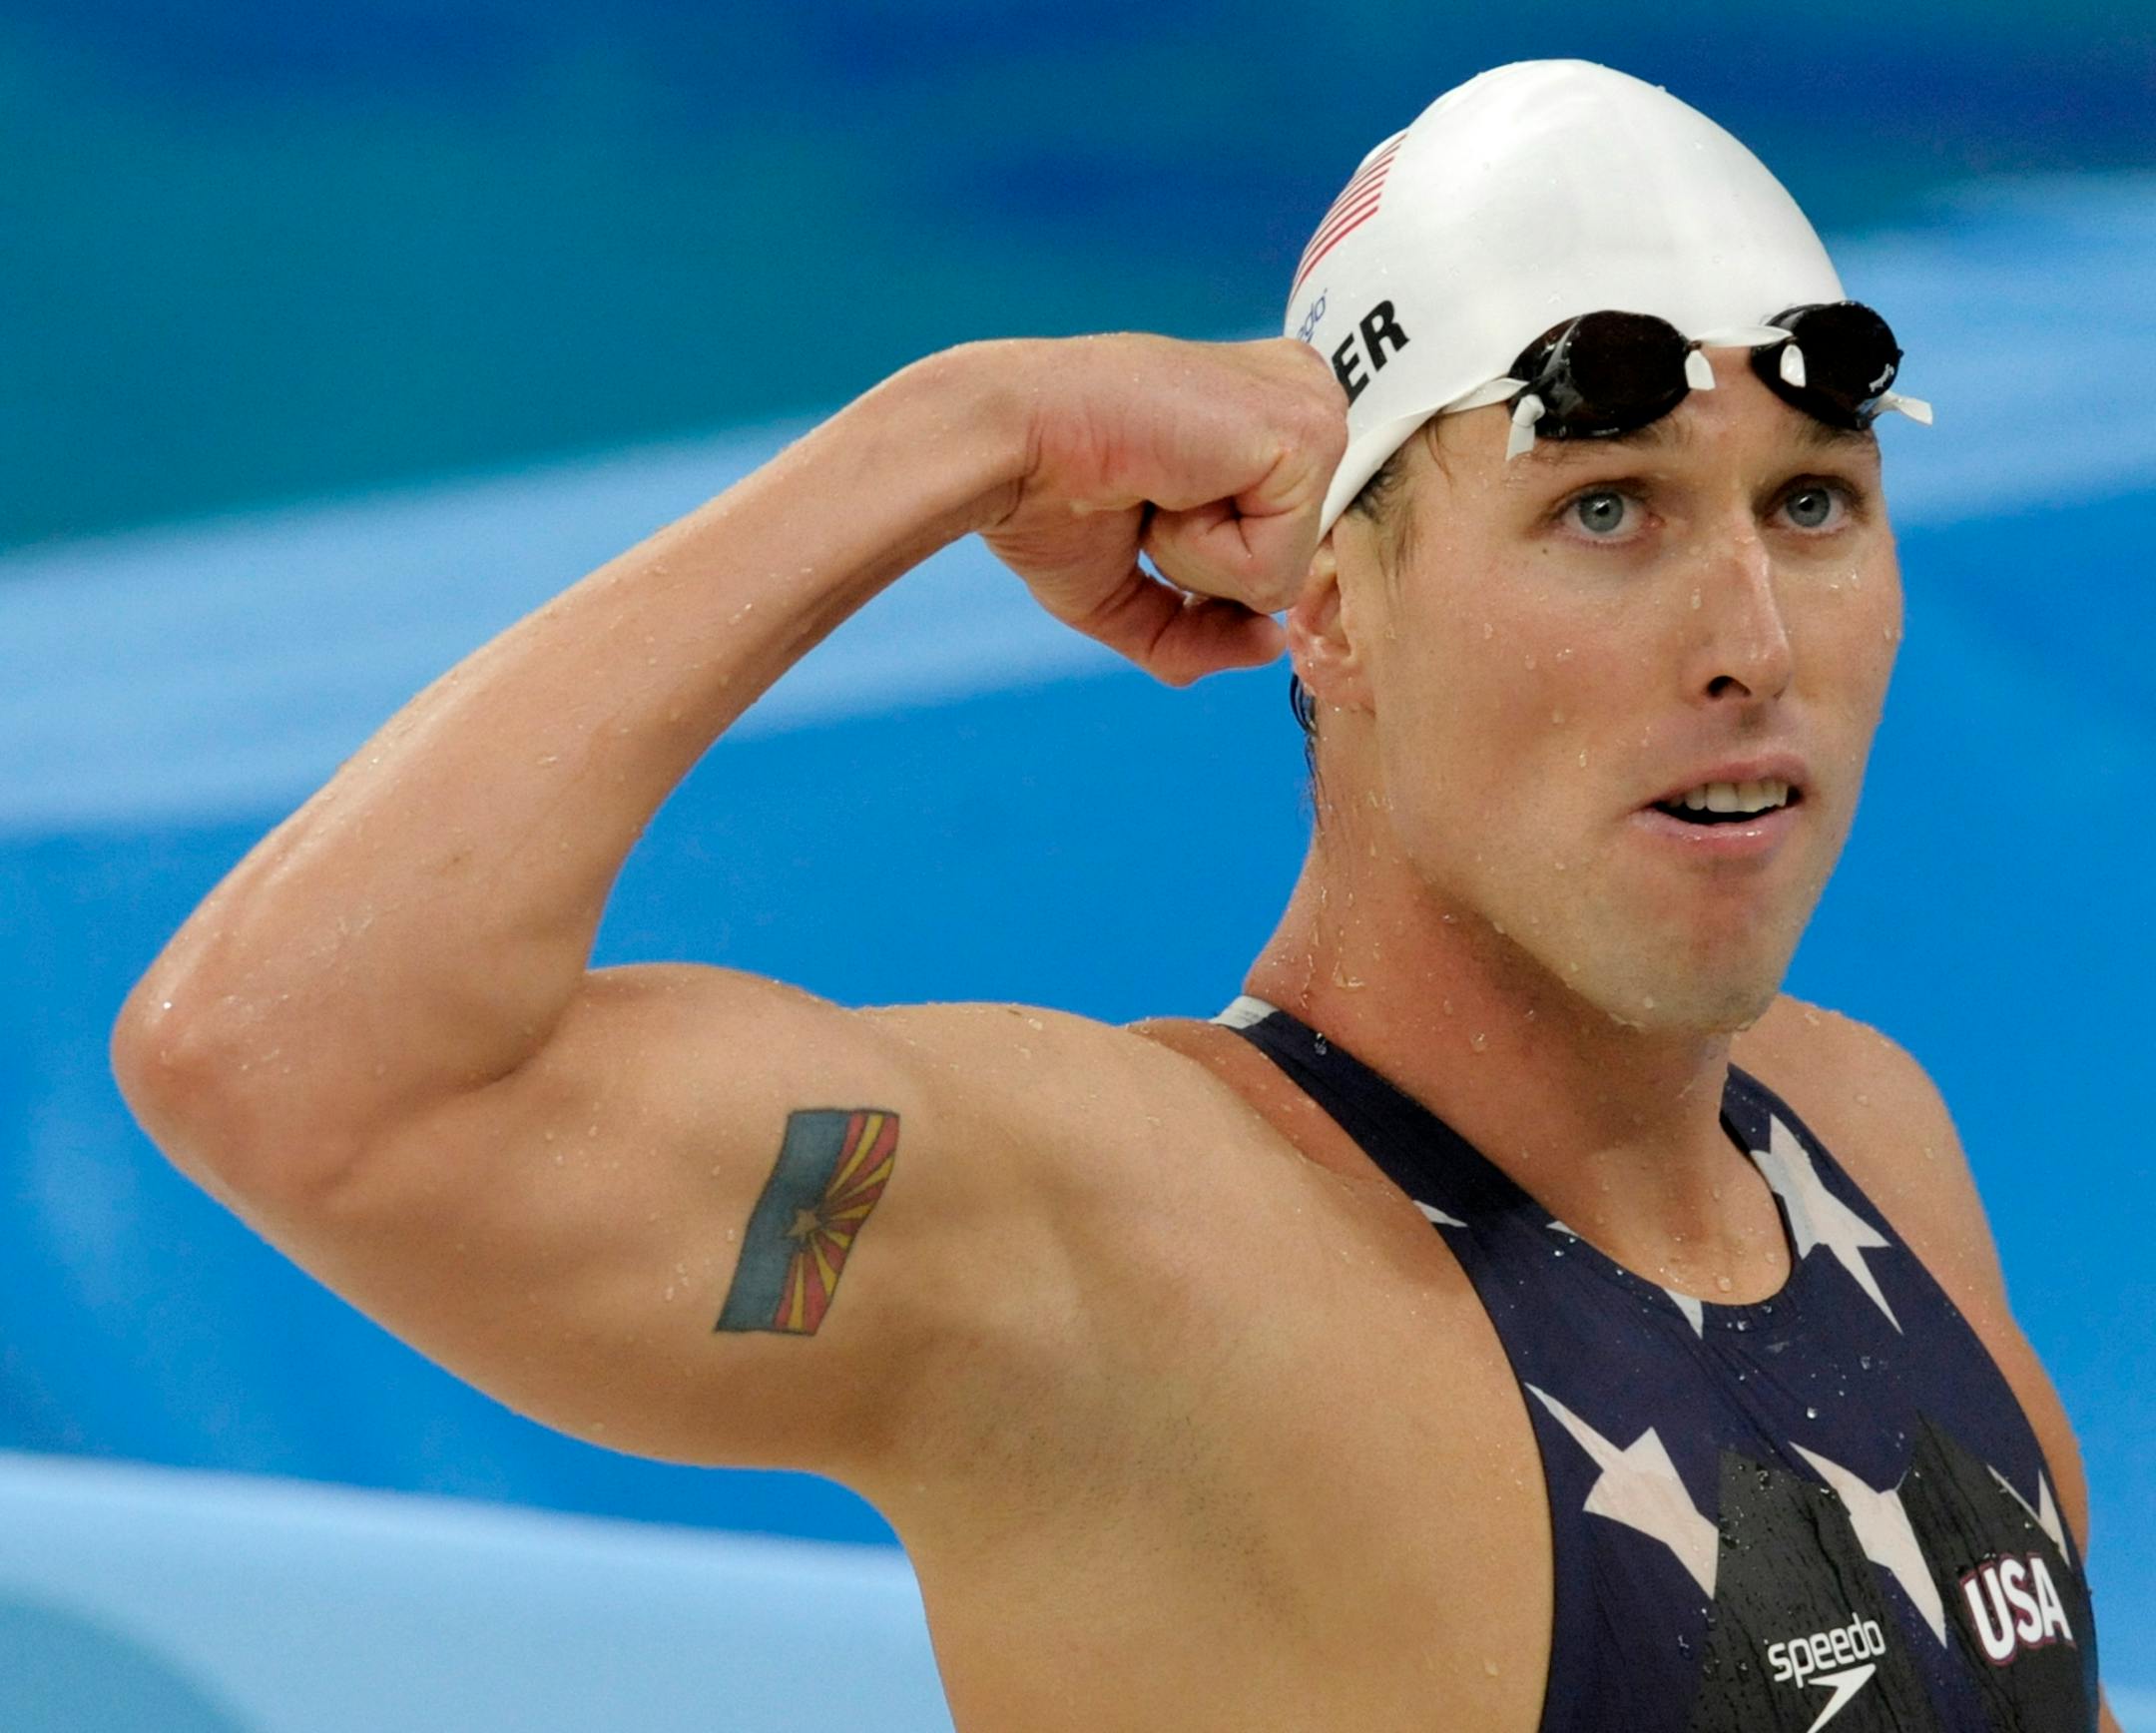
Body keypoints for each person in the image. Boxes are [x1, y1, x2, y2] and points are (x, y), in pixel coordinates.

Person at [111, 58, 2117, 1732]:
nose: (1753, 638)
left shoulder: (1866, 1147)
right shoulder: (1126, 1263)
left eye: (1812, 505)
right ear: (1332, 608)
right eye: (1606, 509)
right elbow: (292, 1066)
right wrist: (959, 429)